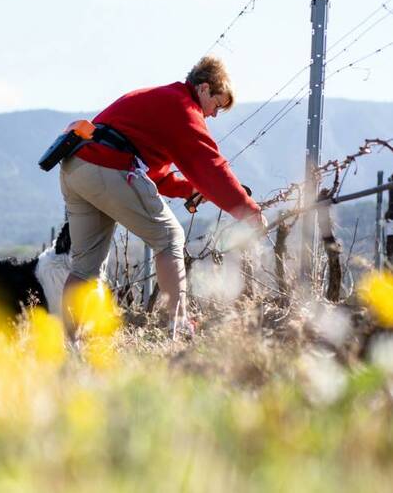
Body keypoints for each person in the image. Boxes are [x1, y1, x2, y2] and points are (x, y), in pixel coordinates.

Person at [57, 56, 266, 336]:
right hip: (107, 167)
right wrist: (249, 212)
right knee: (169, 238)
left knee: (85, 268)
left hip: (76, 166)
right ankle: (178, 329)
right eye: (217, 104)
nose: (214, 114)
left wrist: (187, 189)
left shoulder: (160, 100)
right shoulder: (183, 108)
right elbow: (211, 167)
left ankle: (69, 345)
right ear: (204, 89)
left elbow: (153, 174)